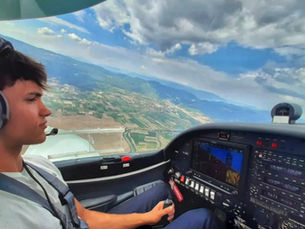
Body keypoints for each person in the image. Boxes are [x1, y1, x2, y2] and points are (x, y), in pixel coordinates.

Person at [0, 37, 223, 229]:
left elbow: (83, 217)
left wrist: (147, 218)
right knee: (202, 218)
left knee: (160, 190)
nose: (46, 110)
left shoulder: (41, 167)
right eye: (31, 99)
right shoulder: (9, 216)